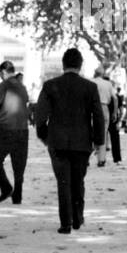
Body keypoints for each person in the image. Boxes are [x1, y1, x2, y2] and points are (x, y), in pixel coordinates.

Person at [35, 48, 106, 232]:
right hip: (82, 143)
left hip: (57, 142)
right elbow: (98, 117)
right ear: (80, 65)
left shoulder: (50, 86)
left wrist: (44, 137)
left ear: (63, 64)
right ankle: (77, 218)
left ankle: (65, 223)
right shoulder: (90, 87)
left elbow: (40, 116)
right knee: (78, 181)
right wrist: (98, 141)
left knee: (63, 182)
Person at [0, 60, 30, 204]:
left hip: (6, 129)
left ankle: (6, 187)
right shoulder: (22, 86)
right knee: (19, 165)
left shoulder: (4, 85)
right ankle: (17, 196)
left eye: (0, 74)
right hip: (23, 129)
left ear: (3, 72)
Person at [92, 65, 121, 165]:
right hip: (104, 108)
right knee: (103, 134)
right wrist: (114, 112)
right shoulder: (108, 84)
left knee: (91, 132)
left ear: (95, 73)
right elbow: (115, 98)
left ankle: (87, 158)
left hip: (92, 109)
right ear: (103, 74)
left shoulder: (91, 82)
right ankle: (101, 159)